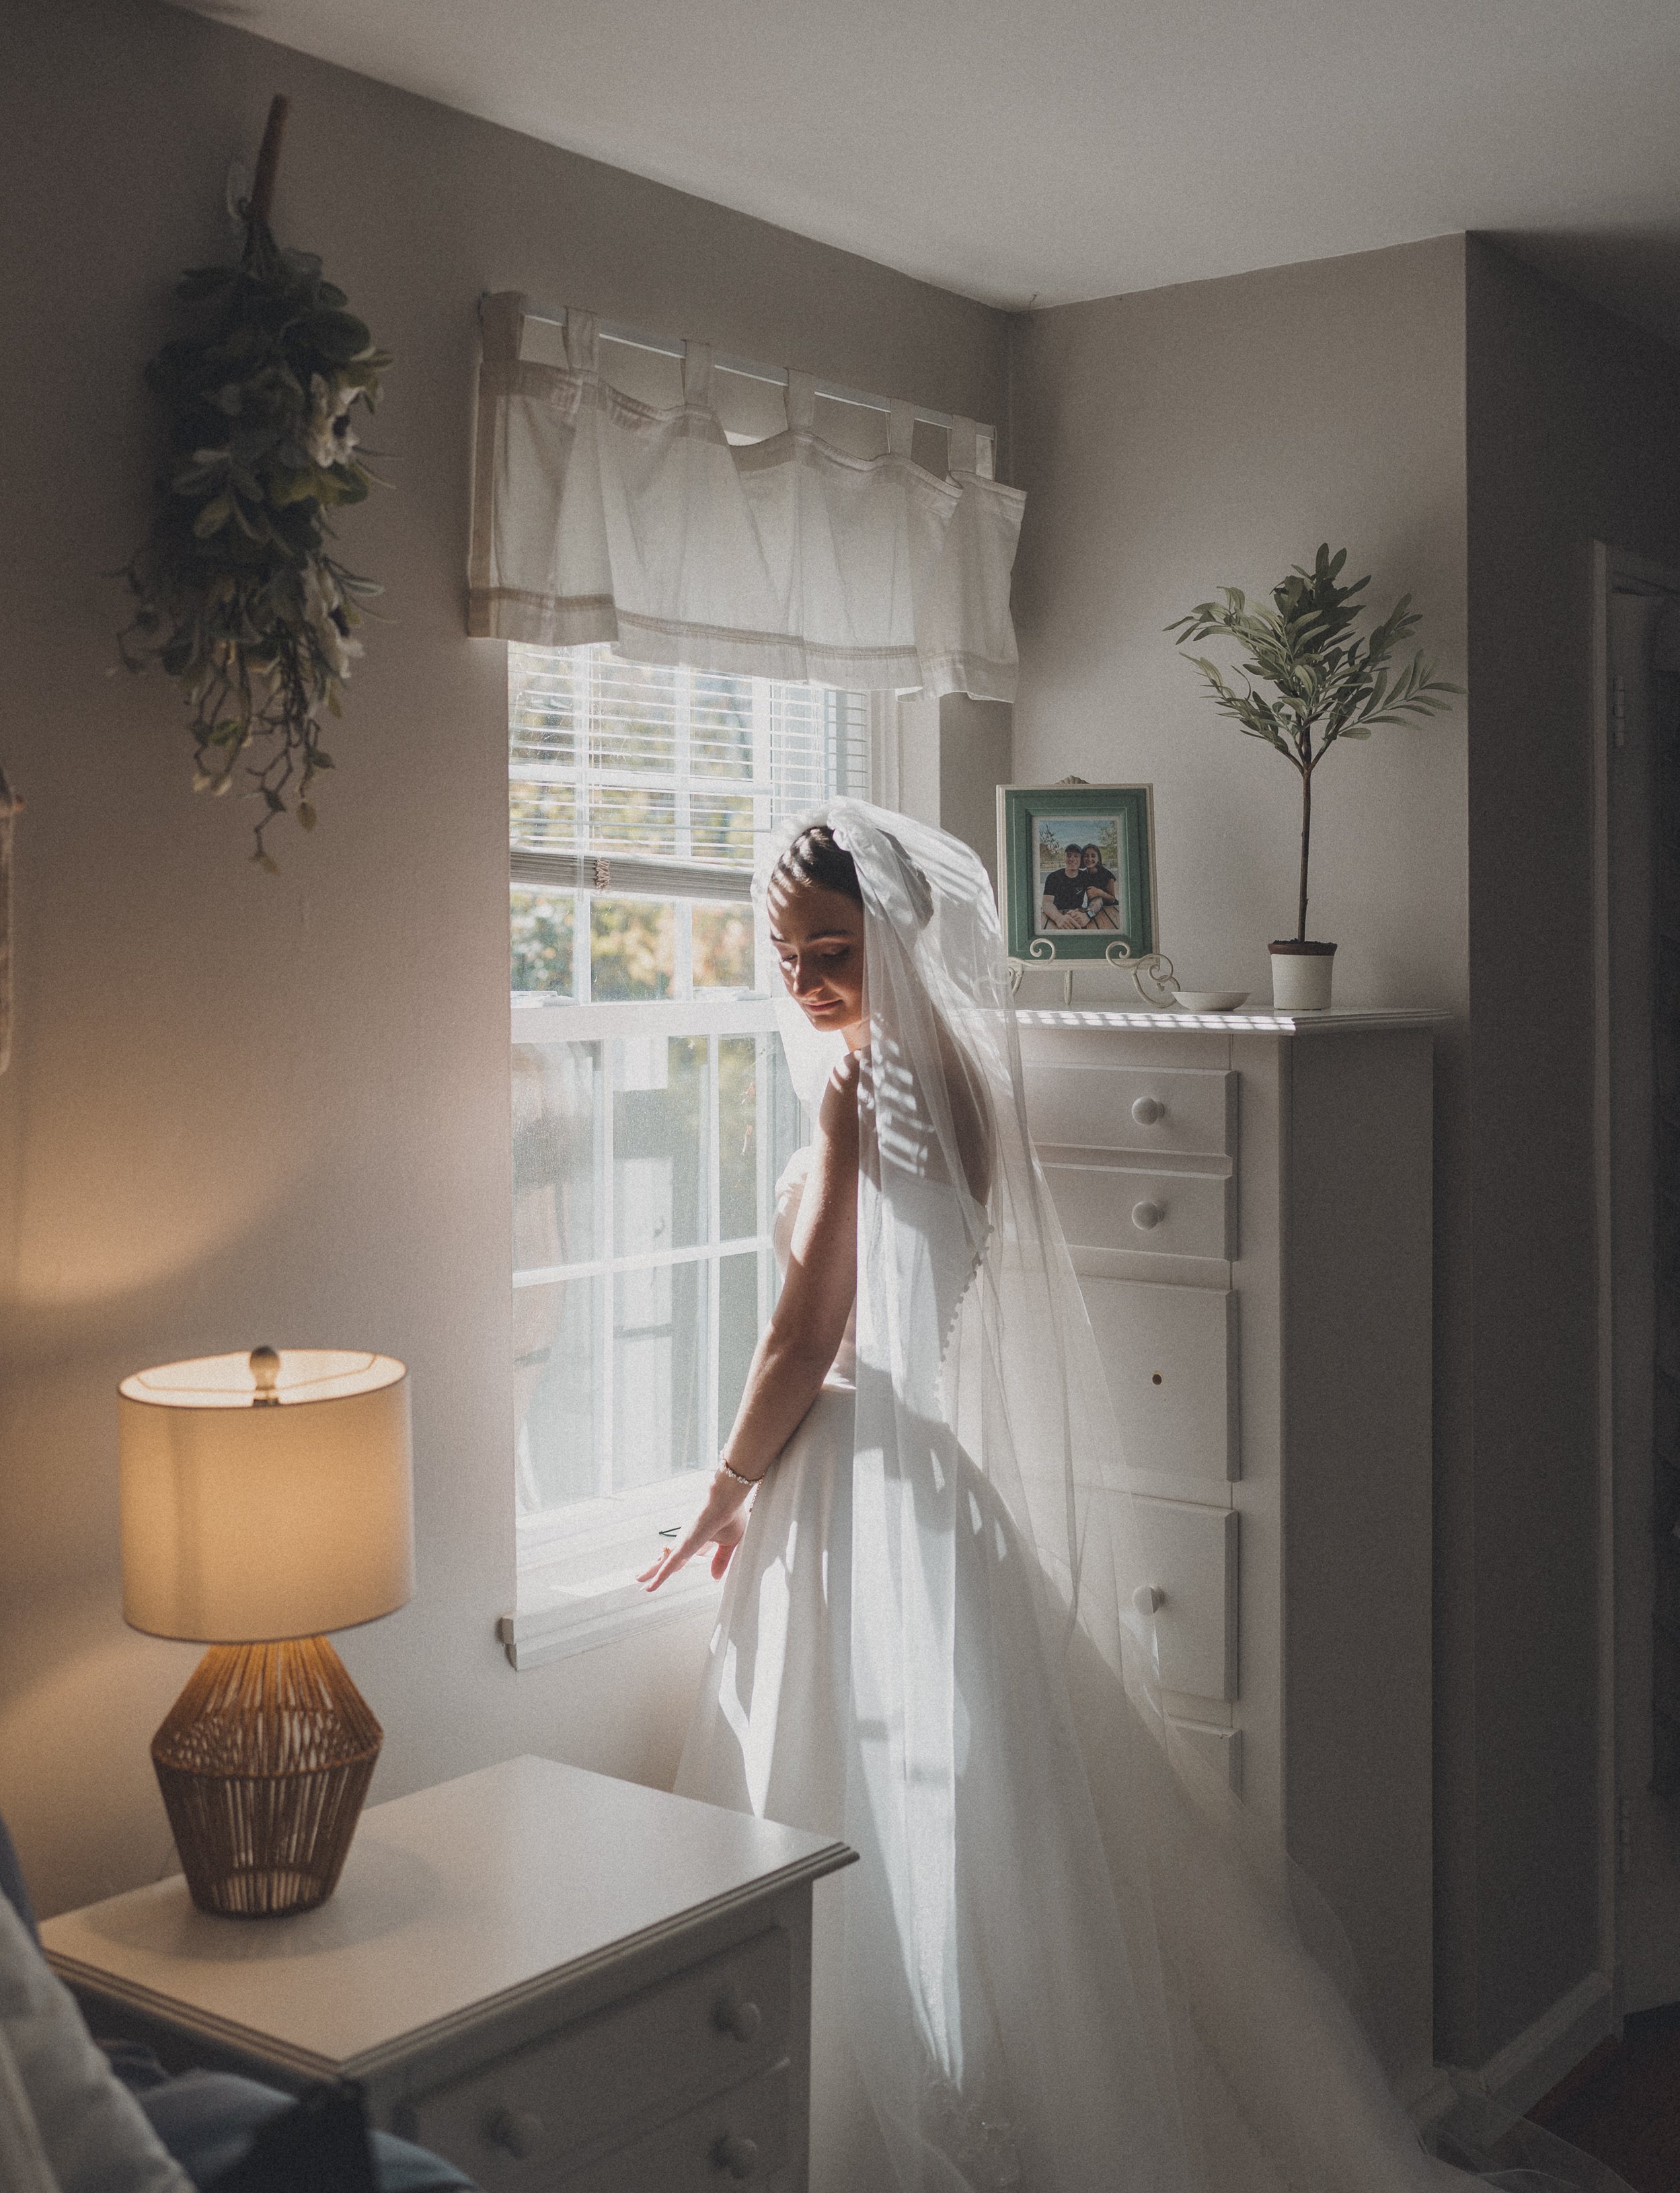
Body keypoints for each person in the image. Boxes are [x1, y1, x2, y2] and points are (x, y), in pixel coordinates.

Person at [643, 802, 1624, 2193]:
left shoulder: (860, 1090)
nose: (803, 978)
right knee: (976, 1835)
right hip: (915, 1479)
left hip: (854, 1472)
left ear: (892, 940)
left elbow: (803, 1338)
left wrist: (721, 1490)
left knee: (862, 1823)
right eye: (784, 951)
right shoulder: (956, 1079)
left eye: (832, 950)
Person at [1039, 840, 1087, 928]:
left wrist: (1087, 915)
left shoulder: (1085, 877)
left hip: (1077, 916)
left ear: (1081, 859)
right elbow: (1046, 903)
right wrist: (1058, 918)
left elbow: (1095, 898)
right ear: (1064, 858)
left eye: (1076, 856)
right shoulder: (1053, 877)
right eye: (1069, 856)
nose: (1072, 859)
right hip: (1055, 916)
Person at [1078, 839, 1121, 930]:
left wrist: (1099, 892)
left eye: (1093, 856)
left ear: (1098, 858)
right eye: (1086, 856)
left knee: (1098, 898)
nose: (1090, 859)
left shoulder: (1107, 874)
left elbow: (1112, 899)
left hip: (1110, 909)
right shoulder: (1083, 875)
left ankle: (1087, 916)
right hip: (1093, 908)